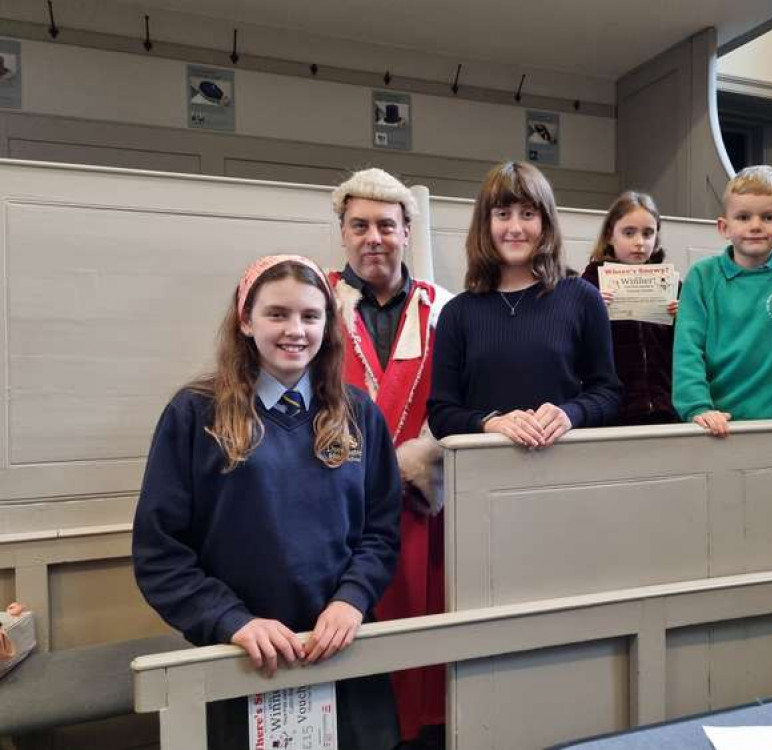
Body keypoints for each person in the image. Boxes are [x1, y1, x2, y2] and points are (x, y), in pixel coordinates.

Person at [132, 255, 401, 750]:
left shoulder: (358, 413)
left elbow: (381, 531)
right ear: (245, 319)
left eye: (310, 316)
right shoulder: (194, 414)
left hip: (340, 650)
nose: (295, 330)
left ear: (328, 324)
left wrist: (353, 599)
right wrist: (232, 621)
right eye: (277, 314)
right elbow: (160, 553)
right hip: (242, 659)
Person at [327, 168, 451, 749]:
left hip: (423, 514)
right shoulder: (315, 304)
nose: (372, 236)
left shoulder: (445, 309)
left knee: (422, 655)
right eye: (360, 225)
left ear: (407, 230)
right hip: (335, 517)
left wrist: (420, 461)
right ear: (344, 233)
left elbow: (460, 400)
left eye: (386, 224)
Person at [429, 161, 622, 445]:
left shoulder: (582, 298)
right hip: (483, 476)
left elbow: (608, 393)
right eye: (503, 214)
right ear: (486, 224)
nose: (516, 228)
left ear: (545, 224)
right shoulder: (457, 313)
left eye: (528, 214)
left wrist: (570, 414)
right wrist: (490, 423)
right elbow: (441, 414)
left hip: (566, 470)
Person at [672, 165, 772, 437]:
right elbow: (687, 350)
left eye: (769, 216)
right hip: (711, 422)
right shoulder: (702, 276)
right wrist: (697, 407)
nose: (756, 226)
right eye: (743, 217)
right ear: (724, 227)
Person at [581, 191, 682, 426]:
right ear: (610, 235)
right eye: (629, 233)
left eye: (648, 233)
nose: (639, 242)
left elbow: (686, 350)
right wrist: (592, 312)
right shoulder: (587, 287)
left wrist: (682, 319)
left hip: (664, 408)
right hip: (612, 412)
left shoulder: (672, 286)